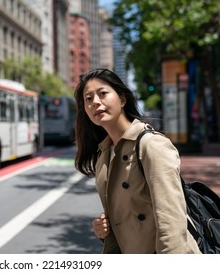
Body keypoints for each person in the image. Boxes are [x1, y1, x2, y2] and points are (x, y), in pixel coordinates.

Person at [74, 68, 201, 254]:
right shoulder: (104, 154)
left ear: (122, 99)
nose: (95, 102)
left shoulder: (152, 145)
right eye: (88, 99)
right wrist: (104, 229)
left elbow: (172, 224)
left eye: (102, 94)